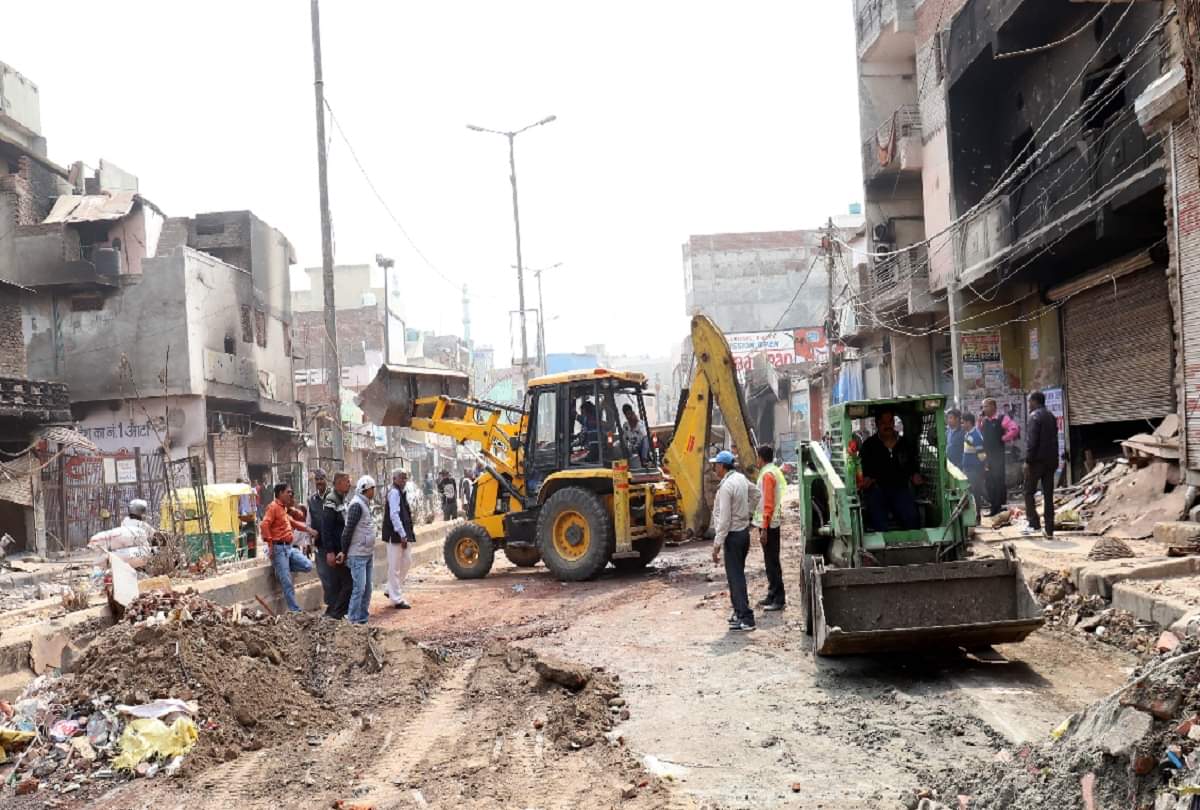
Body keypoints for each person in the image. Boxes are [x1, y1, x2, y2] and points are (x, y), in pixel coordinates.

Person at [710, 450, 760, 633]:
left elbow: (723, 520)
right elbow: (756, 494)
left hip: (732, 536)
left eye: (716, 465)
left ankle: (746, 617)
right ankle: (739, 613)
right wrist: (749, 513)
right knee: (736, 575)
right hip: (743, 534)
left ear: (722, 466)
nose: (714, 468)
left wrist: (716, 545)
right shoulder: (740, 479)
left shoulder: (726, 487)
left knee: (735, 578)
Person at [859, 409, 923, 531]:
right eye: (883, 422)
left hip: (901, 488)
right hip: (877, 489)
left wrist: (915, 475)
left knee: (912, 517)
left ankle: (913, 544)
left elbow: (912, 466)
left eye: (890, 422)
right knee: (877, 518)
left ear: (894, 423)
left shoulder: (905, 444)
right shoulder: (869, 445)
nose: (887, 425)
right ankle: (882, 547)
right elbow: (863, 469)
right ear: (877, 424)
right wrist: (866, 479)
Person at [259, 482, 317, 613]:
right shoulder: (273, 507)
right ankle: (295, 611)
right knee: (287, 583)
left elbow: (294, 521)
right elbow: (264, 525)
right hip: (279, 549)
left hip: (288, 548)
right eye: (288, 492)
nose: (290, 494)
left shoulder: (283, 508)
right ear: (280, 493)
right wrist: (270, 544)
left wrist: (308, 529)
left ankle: (281, 568)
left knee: (307, 565)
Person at [340, 475, 378, 625]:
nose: (373, 492)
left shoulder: (364, 504)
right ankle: (353, 620)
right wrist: (344, 551)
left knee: (367, 589)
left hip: (367, 554)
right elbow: (347, 530)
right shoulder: (357, 505)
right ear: (365, 490)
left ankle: (362, 618)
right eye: (372, 489)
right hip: (358, 555)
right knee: (359, 589)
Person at [752, 445, 786, 612]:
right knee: (771, 560)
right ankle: (772, 594)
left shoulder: (767, 475)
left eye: (756, 457)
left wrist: (764, 528)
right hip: (773, 522)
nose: (755, 460)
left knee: (772, 562)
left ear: (761, 458)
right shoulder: (773, 470)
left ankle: (778, 598)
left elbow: (767, 503)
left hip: (769, 524)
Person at [1024, 391, 1059, 538]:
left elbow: (1032, 442)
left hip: (1036, 462)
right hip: (1051, 461)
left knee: (1028, 492)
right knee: (1048, 495)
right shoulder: (1051, 416)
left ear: (1035, 401)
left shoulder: (1034, 417)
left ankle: (1034, 523)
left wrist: (1027, 461)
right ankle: (1049, 529)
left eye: (1029, 402)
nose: (1028, 405)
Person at [320, 472, 354, 620]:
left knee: (343, 583)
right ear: (339, 483)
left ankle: (337, 613)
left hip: (342, 549)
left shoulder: (342, 500)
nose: (349, 484)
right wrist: (330, 551)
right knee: (347, 583)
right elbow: (326, 528)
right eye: (347, 481)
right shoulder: (331, 500)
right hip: (336, 549)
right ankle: (336, 614)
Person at [980, 398, 1020, 516]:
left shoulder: (1002, 418)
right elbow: (980, 433)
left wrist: (1003, 438)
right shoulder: (984, 420)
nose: (984, 409)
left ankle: (998, 507)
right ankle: (994, 506)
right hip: (987, 456)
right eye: (983, 407)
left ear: (993, 407)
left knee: (998, 481)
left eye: (986, 406)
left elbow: (1014, 429)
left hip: (997, 456)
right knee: (989, 482)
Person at [383, 469, 416, 609]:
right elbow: (394, 515)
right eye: (402, 478)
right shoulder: (394, 493)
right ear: (394, 479)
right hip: (395, 535)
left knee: (407, 561)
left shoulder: (400, 493)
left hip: (403, 534)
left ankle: (389, 589)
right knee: (395, 566)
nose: (404, 481)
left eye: (405, 478)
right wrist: (402, 534)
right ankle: (396, 598)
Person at [960, 413, 987, 513]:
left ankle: (977, 515)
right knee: (971, 492)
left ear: (969, 423)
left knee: (976, 492)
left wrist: (981, 469)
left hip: (974, 469)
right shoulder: (968, 434)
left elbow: (982, 455)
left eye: (963, 423)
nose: (962, 425)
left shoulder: (976, 436)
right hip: (968, 468)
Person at [236, 477, 257, 559]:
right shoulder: (237, 493)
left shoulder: (250, 491)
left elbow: (253, 504)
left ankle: (250, 554)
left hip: (248, 517)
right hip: (241, 517)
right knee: (242, 537)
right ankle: (241, 553)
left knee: (250, 537)